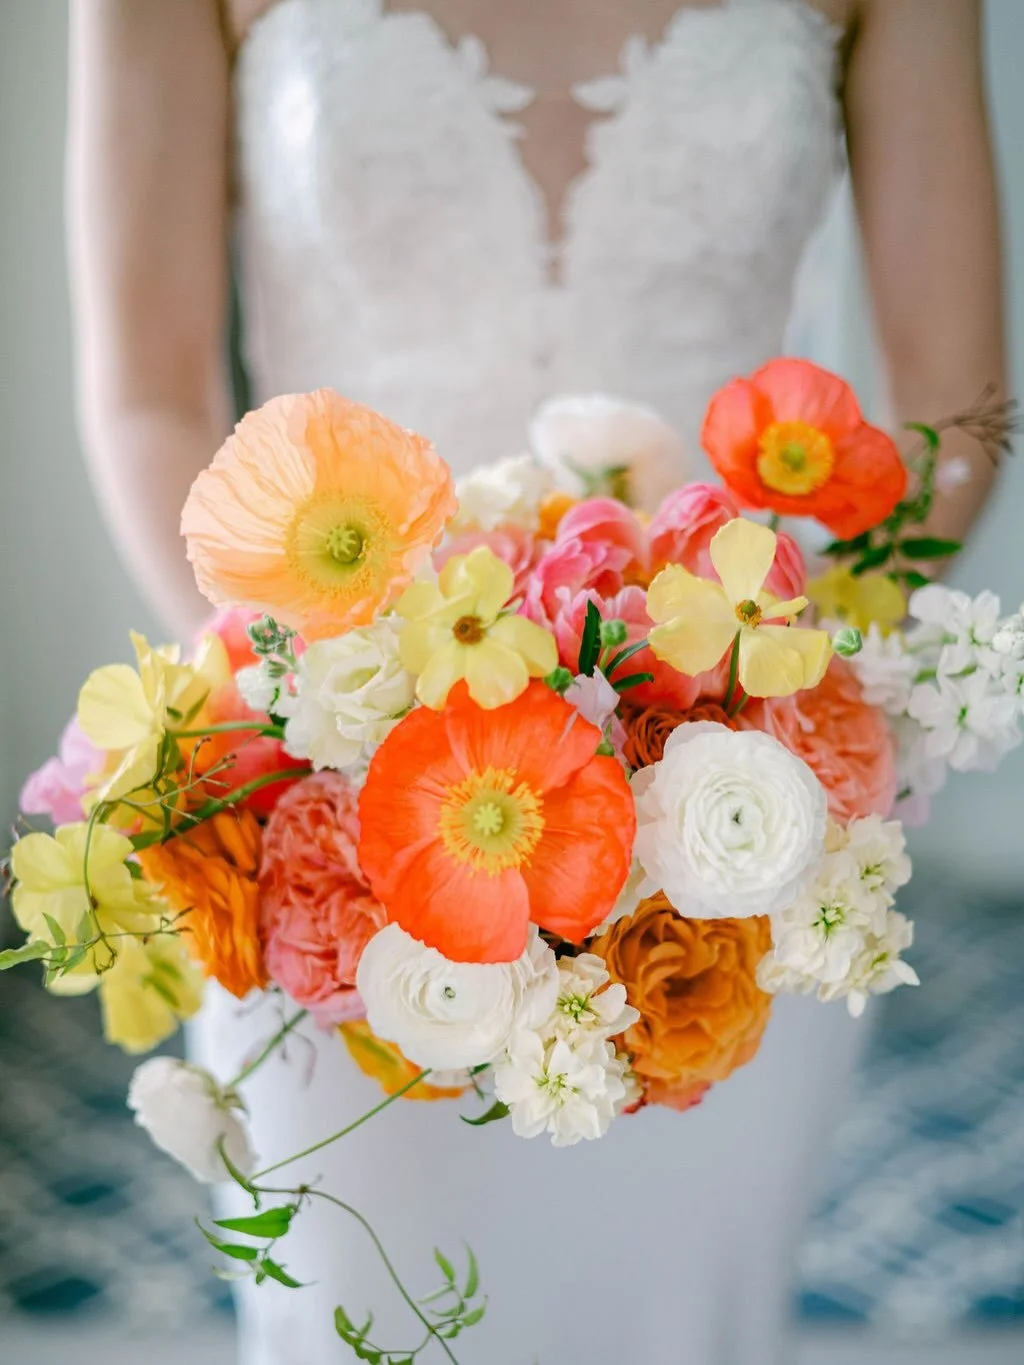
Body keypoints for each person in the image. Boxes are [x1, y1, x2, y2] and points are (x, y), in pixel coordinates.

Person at [67, 2, 1006, 1361]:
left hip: (741, 811)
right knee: (365, 1314)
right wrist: (303, 712)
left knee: (685, 1309)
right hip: (330, 805)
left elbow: (954, 399)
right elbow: (149, 388)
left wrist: (763, 701)